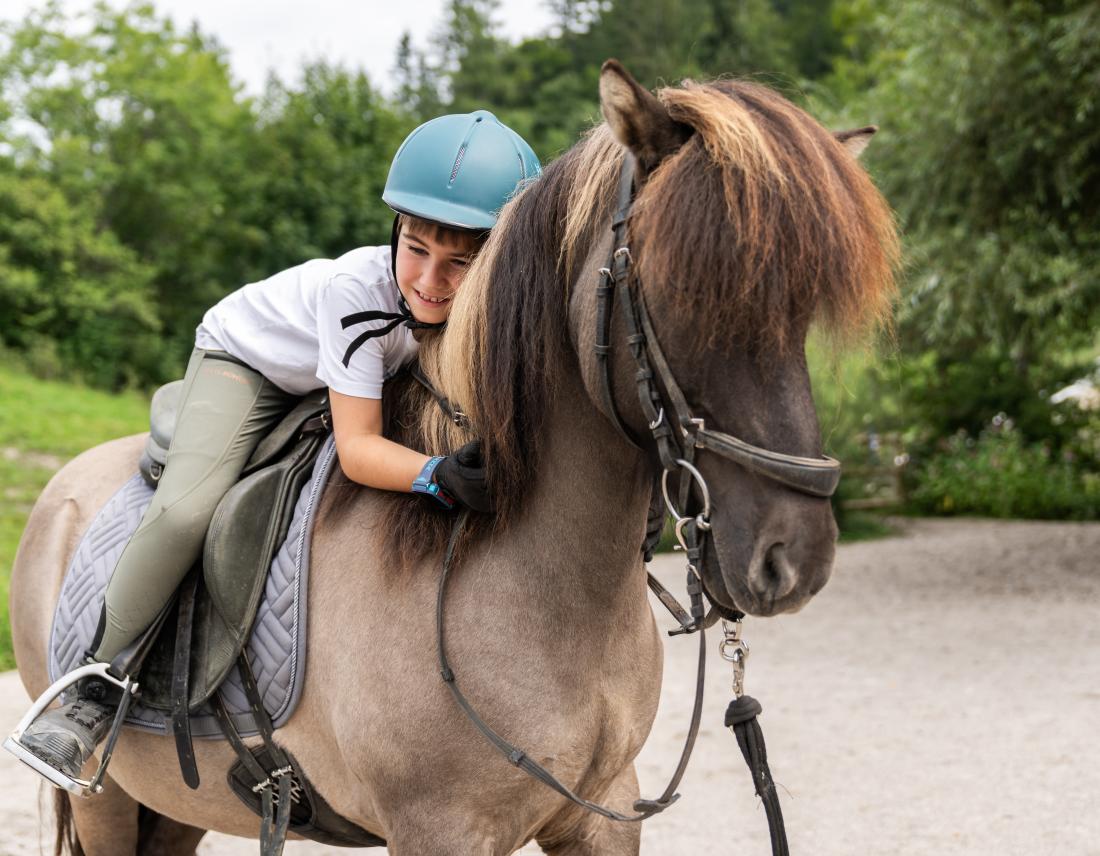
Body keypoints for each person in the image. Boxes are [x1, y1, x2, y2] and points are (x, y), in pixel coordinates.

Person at [9, 110, 541, 789]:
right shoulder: (360, 294)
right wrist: (437, 474)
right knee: (185, 511)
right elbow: (358, 451)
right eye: (415, 248)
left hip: (347, 372)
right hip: (248, 363)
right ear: (395, 232)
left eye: (460, 261)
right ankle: (93, 689)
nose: (431, 280)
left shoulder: (489, 309)